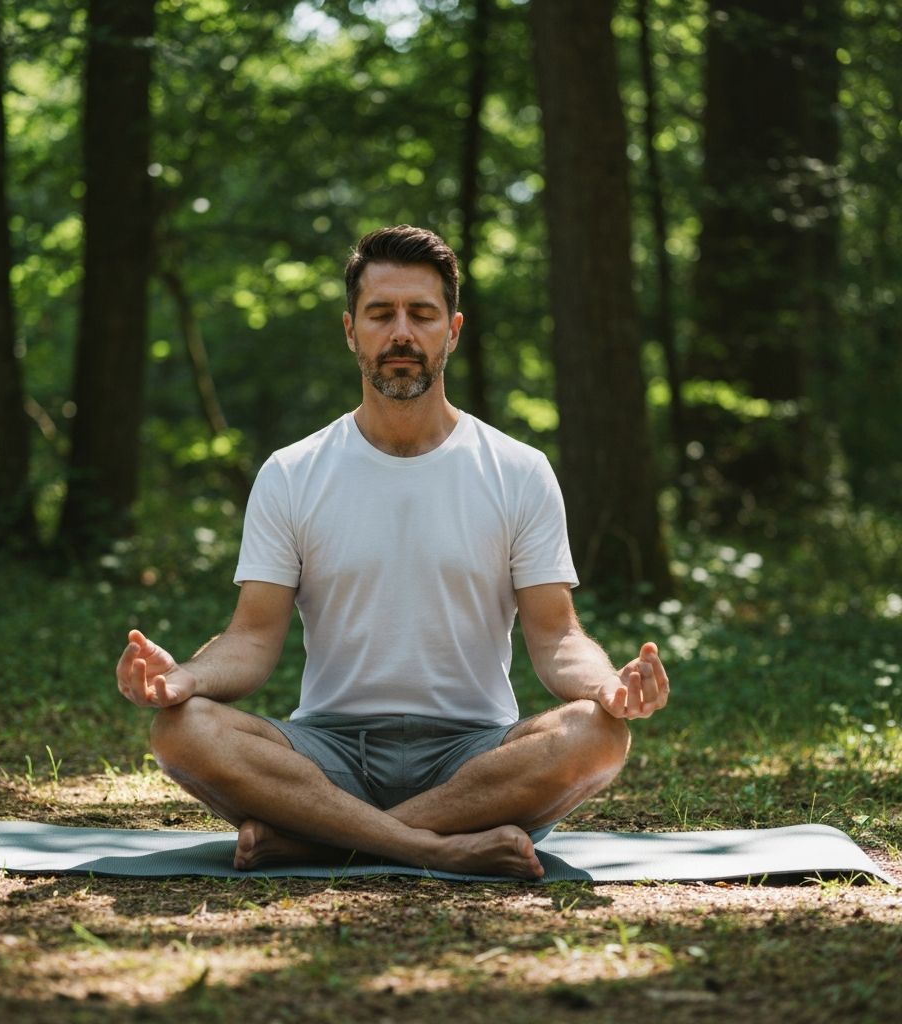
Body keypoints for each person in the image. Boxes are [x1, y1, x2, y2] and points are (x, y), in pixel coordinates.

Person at [116, 225, 669, 880]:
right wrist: (186, 679)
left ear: (452, 330)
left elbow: (557, 639)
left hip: (475, 760)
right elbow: (252, 639)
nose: (401, 333)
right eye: (381, 314)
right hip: (326, 757)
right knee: (180, 730)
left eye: (422, 314)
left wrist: (608, 685)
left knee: (599, 734)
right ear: (351, 330)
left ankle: (322, 841)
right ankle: (432, 846)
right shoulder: (293, 473)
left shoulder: (519, 471)